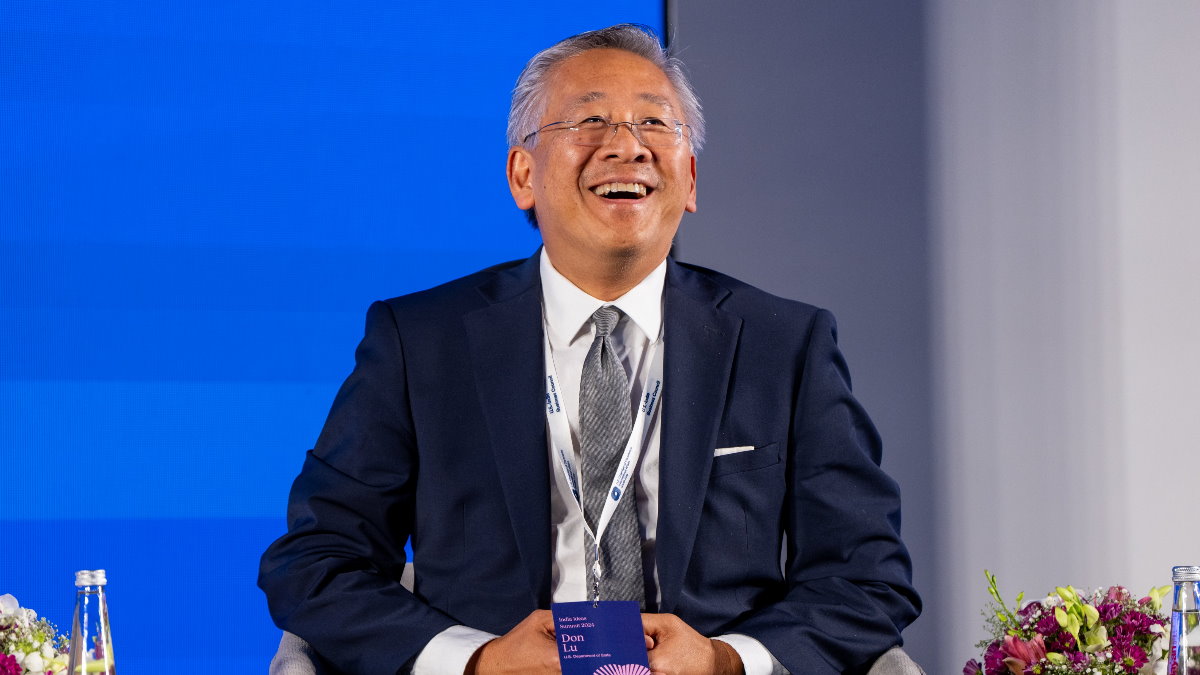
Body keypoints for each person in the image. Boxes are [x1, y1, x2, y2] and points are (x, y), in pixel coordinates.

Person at [259, 24, 920, 675]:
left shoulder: (785, 344)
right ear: (523, 175)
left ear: (690, 179)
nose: (627, 146)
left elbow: (867, 577)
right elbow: (316, 560)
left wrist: (725, 660)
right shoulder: (421, 341)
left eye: (654, 123)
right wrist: (478, 659)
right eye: (591, 121)